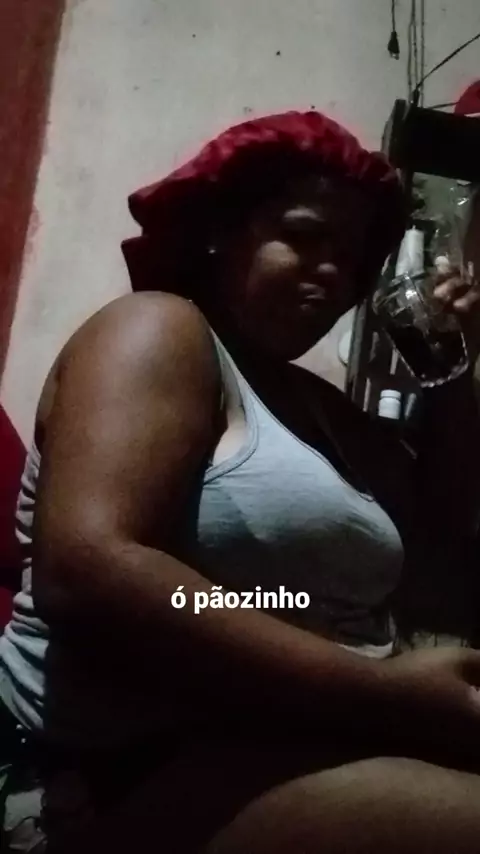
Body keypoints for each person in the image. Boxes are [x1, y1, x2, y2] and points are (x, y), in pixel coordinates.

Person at [2, 110, 480, 853]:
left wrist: (450, 374)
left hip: (288, 741)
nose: (334, 272)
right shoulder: (158, 331)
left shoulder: (327, 414)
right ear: (222, 233)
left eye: (353, 255)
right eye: (304, 236)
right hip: (106, 773)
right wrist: (386, 693)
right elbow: (88, 572)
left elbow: (441, 551)